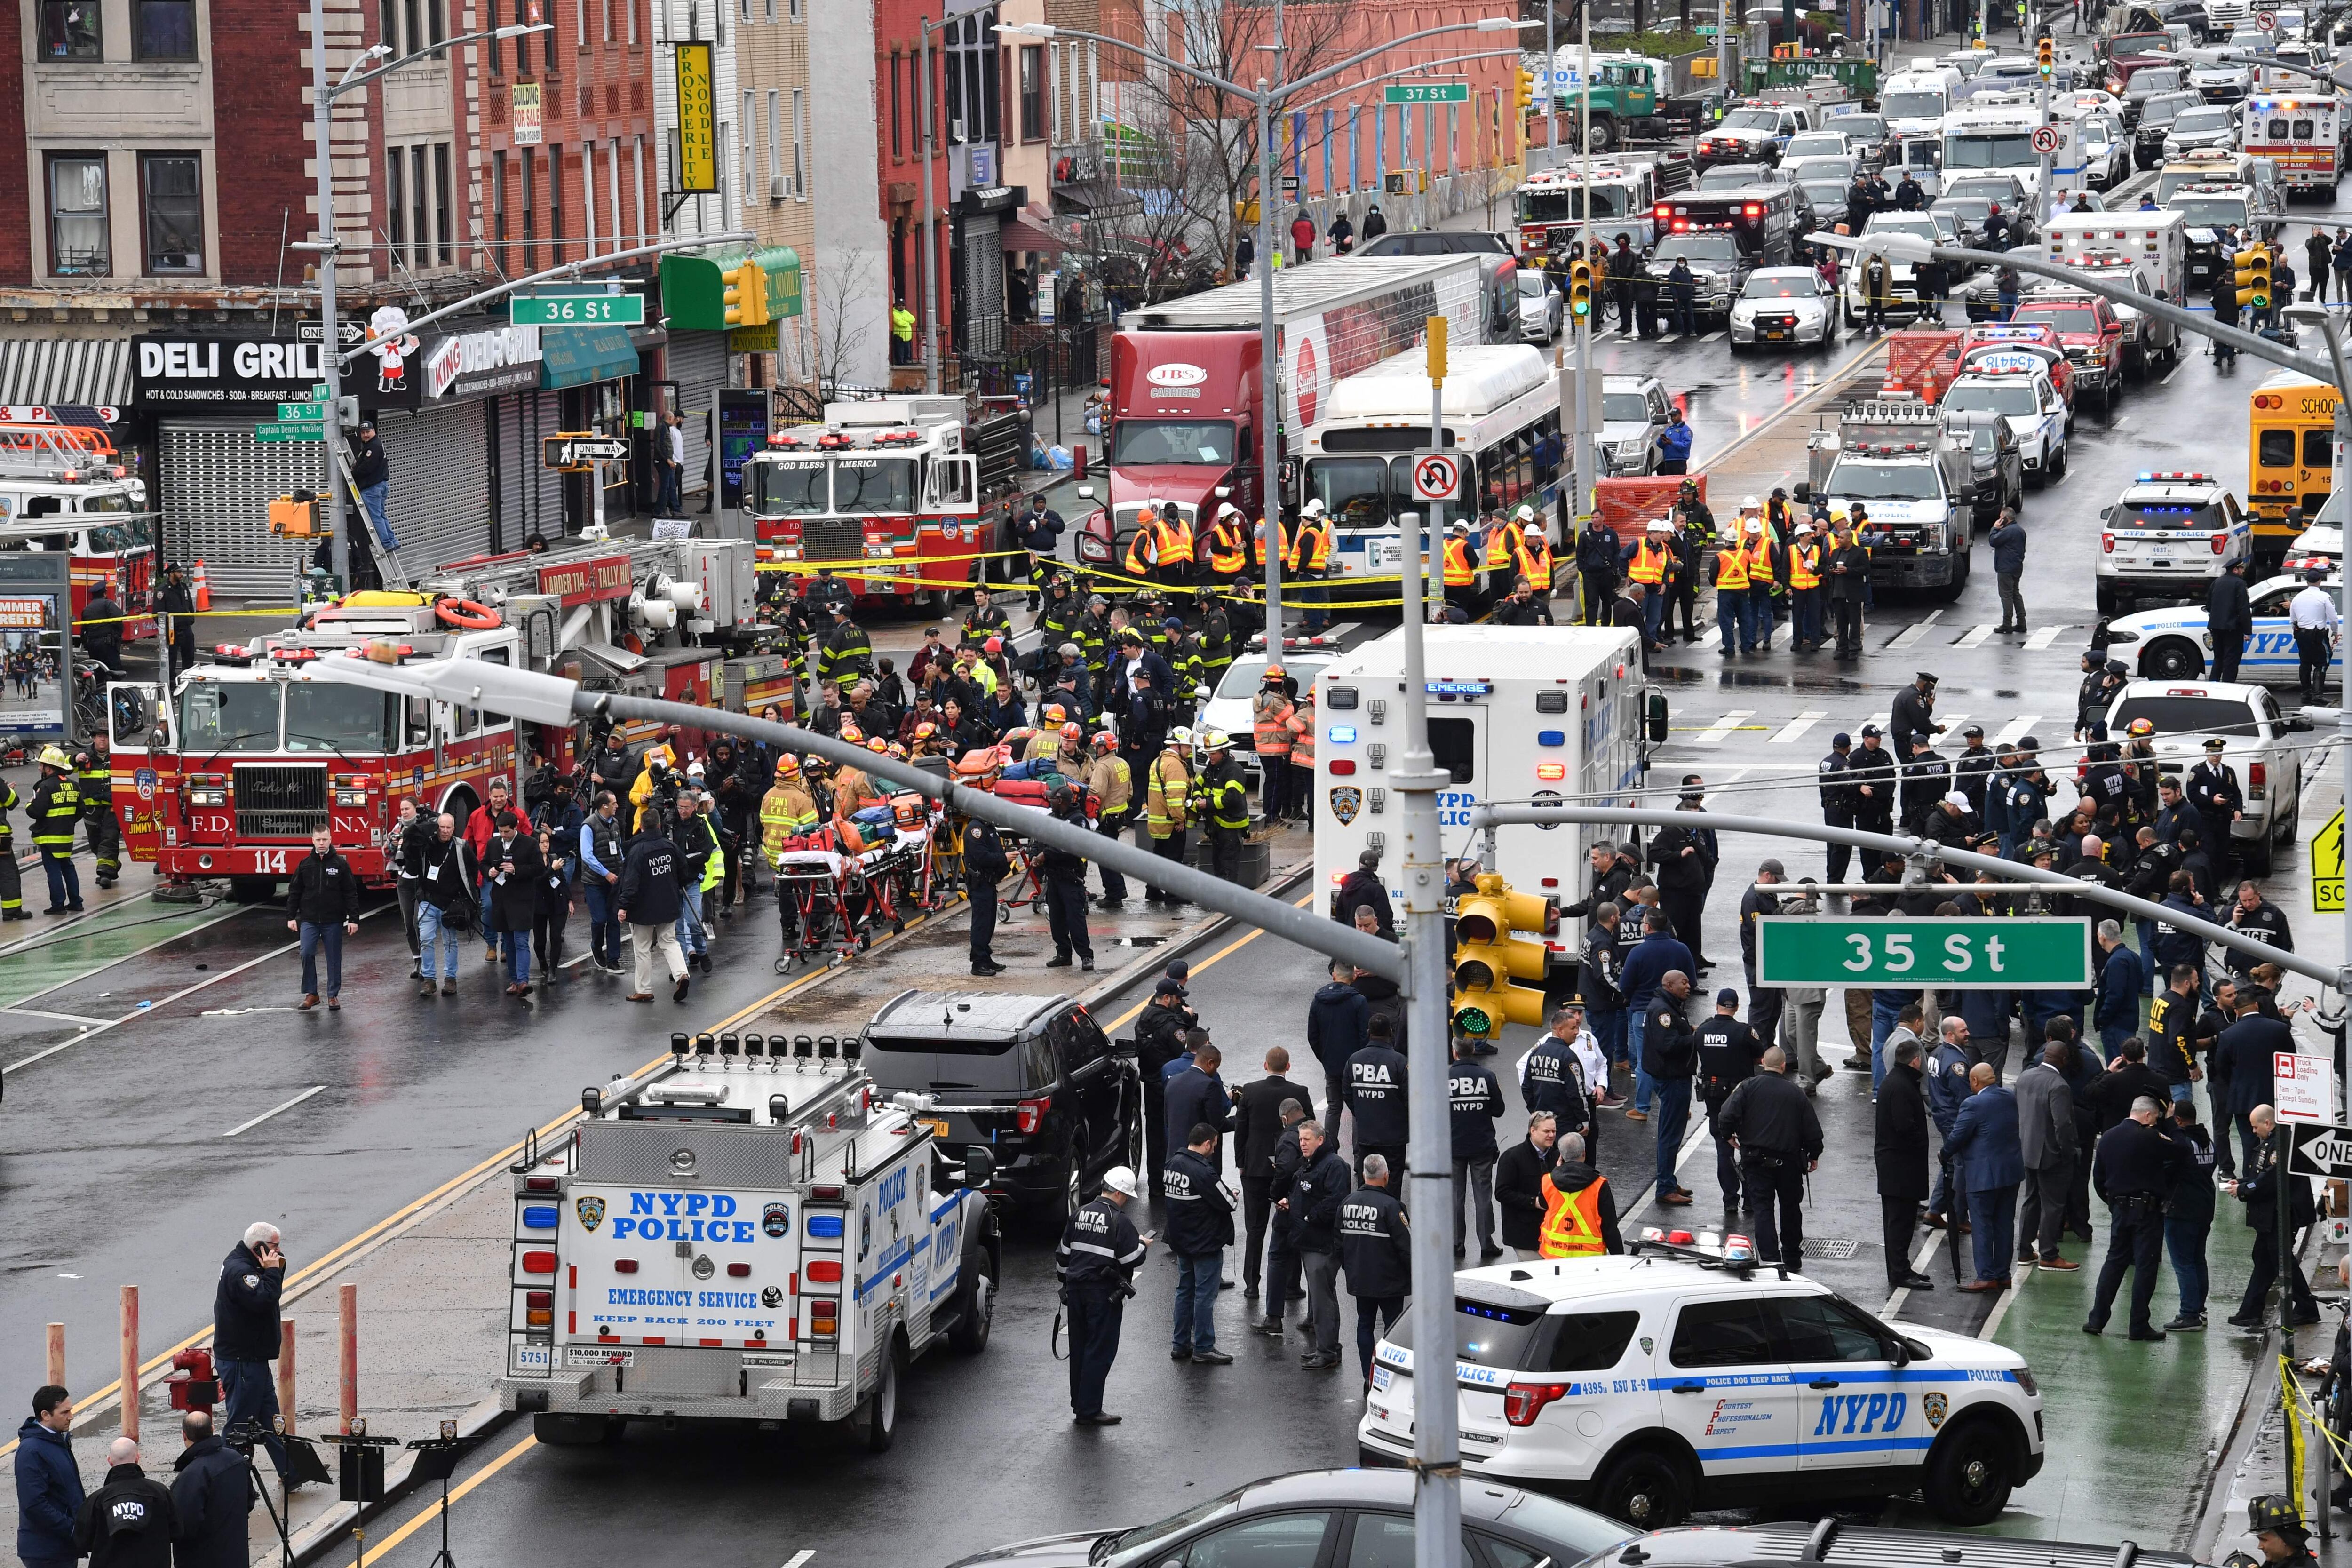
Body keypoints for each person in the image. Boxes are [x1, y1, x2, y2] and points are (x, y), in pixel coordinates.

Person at [1055, 1165, 1151, 1423]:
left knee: (1079, 1348)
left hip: (1075, 1292)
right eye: (1127, 1197)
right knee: (1099, 1350)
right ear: (1120, 1193)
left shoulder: (1079, 1214)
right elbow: (1132, 1258)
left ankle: (1080, 1402)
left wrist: (1065, 1284)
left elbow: (1062, 1256)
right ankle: (1089, 1411)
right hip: (1102, 1295)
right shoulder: (1119, 1220)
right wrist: (1142, 1244)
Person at [2082, 1095, 2183, 1340]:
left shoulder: (2108, 1137)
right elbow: (2183, 1150)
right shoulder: (2151, 1137)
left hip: (2119, 1209)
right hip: (2147, 1211)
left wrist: (2113, 1203)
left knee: (2114, 1262)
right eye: (2156, 1118)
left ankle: (2097, 1319)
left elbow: (2098, 1179)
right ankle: (2138, 1325)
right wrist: (2170, 1124)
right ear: (2148, 1115)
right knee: (2145, 1267)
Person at [1717, 1047, 1824, 1268]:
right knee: (1791, 1209)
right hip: (1789, 1164)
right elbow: (1812, 1130)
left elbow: (1726, 1115)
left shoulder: (1747, 1087)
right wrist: (1814, 1154)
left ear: (1763, 1062)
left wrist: (1728, 1136)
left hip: (1756, 1162)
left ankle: (1770, 1259)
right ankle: (1793, 1257)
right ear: (1783, 1066)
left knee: (1763, 1209)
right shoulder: (1796, 1093)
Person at [2227, 1105, 2321, 1328]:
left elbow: (2271, 1180)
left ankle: (2306, 1307)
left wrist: (2244, 1189)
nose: (2253, 1131)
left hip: (2282, 1214)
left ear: (2268, 1123)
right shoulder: (2273, 1142)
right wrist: (2242, 1183)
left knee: (2281, 1260)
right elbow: (2261, 1174)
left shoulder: (2282, 1144)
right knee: (2264, 1258)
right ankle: (2251, 1309)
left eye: (2255, 1126)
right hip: (2272, 1215)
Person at [214, 1221, 289, 1481]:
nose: (278, 1252)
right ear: (258, 1247)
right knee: (241, 1426)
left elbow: (270, 1289)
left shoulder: (250, 1264)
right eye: (274, 1247)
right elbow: (264, 1300)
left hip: (253, 1358)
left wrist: (272, 1267)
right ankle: (226, 1477)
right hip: (242, 1361)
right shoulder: (242, 1272)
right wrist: (271, 1270)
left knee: (272, 1420)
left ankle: (291, 1471)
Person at [1236, 1049, 1313, 1298]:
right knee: (1291, 1226)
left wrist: (1241, 1163)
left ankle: (1252, 1285)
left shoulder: (1250, 1090)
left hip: (1255, 1169)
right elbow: (1310, 1130)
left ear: (1265, 1065)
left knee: (1255, 1229)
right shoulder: (1300, 1093)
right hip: (1289, 1171)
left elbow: (1241, 1131)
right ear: (1288, 1067)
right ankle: (1291, 1285)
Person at [1944, 1063, 2024, 1291]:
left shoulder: (1973, 1104)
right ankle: (2003, 1274)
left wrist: (1945, 1153)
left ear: (1975, 1082)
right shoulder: (2009, 1097)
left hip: (1983, 1176)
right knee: (2004, 1224)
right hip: (2010, 1173)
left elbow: (1959, 1135)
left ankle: (1986, 1276)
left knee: (1982, 1225)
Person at [1162, 1125, 1235, 1365]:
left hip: (1182, 1241)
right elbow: (1227, 1202)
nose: (1214, 1150)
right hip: (1204, 1243)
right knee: (1205, 1295)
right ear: (1206, 1144)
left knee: (1185, 1291)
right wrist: (1233, 1195)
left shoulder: (1173, 1164)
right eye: (1213, 1145)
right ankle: (1204, 1346)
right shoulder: (1203, 1172)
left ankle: (1180, 1343)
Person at [1338, 1154, 1411, 1388]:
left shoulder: (1347, 1203)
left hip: (1360, 1279)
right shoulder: (1392, 1207)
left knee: (1365, 1324)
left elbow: (1337, 1242)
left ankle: (1368, 1377)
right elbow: (1407, 1247)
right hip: (1390, 1282)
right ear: (1386, 1176)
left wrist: (1350, 1267)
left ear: (1363, 1175)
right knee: (1392, 1331)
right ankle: (1389, 1379)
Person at [1284, 1120, 1351, 1370]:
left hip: (1322, 1245)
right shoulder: (1313, 1164)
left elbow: (1335, 1202)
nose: (1302, 1144)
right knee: (1324, 1299)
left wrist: (1309, 1217)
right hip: (1309, 1242)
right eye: (1301, 1140)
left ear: (1320, 1140)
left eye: (1307, 1139)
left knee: (1323, 1302)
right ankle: (1328, 1348)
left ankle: (1327, 1352)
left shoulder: (1334, 1166)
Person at [1875, 1037, 1938, 1291]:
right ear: (1916, 1060)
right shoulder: (1902, 1087)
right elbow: (1905, 1127)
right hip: (1901, 1167)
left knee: (1897, 1222)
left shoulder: (1895, 1082)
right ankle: (1899, 1272)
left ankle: (1900, 1267)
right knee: (1900, 1223)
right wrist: (1921, 1143)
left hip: (1895, 1167)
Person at [2016, 1041, 2083, 1272]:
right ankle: (2049, 1255)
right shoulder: (2059, 1085)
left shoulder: (2025, 1077)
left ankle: (2024, 1251)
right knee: (2053, 1206)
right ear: (2064, 1060)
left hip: (2027, 1151)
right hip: (2051, 1156)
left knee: (2031, 1201)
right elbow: (2062, 1125)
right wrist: (2068, 1153)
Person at [1696, 987, 1765, 1211]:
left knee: (1723, 1149)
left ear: (1717, 1006)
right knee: (1748, 1148)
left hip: (1713, 1096)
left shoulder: (1703, 1031)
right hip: (1741, 1097)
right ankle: (1750, 1199)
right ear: (1735, 1008)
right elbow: (1760, 1052)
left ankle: (1730, 1200)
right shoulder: (1744, 1032)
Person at [283, 825, 358, 1011]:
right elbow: (295, 891)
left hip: (333, 920)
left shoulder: (340, 864)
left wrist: (354, 919)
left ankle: (333, 995)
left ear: (331, 839)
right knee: (306, 953)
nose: (322, 843)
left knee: (333, 958)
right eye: (318, 840)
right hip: (309, 920)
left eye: (325, 839)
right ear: (313, 840)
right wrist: (291, 916)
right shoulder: (305, 865)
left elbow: (351, 892)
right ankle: (312, 994)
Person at [617, 821, 691, 1004]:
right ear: (659, 825)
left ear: (641, 827)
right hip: (668, 904)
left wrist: (623, 906)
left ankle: (643, 990)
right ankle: (682, 974)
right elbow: (684, 872)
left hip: (643, 909)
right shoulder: (670, 846)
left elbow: (631, 882)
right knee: (669, 942)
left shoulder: (637, 851)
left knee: (642, 949)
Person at [74, 1436, 175, 1568]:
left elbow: (82, 1542)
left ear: (110, 1461)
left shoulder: (97, 1500)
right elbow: (176, 1531)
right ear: (138, 1458)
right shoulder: (161, 1493)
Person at [1644, 971, 1700, 1204]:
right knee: (1670, 1135)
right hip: (1672, 1079)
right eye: (1684, 983)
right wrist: (1697, 1037)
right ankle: (1665, 1187)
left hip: (1675, 1076)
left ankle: (1669, 1179)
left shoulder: (1671, 1005)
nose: (1689, 986)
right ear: (1669, 985)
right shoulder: (1662, 1011)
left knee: (1673, 1134)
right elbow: (1668, 1045)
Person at [169, 1409, 251, 1568]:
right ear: (213, 1429)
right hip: (236, 1556)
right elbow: (249, 1501)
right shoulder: (237, 1460)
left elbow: (183, 1527)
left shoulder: (191, 1476)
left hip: (204, 1559)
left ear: (184, 1435)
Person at [1448, 1035, 1506, 1262]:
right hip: (1482, 1145)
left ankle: (1456, 1244)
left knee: (1455, 1196)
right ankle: (1486, 1243)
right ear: (1473, 1051)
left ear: (1455, 1052)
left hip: (1453, 1146)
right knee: (1483, 1196)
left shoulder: (1445, 1077)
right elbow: (1499, 1110)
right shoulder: (1487, 1076)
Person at [16, 1384, 83, 1568]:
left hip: (61, 1547)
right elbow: (35, 1505)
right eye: (65, 1412)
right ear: (46, 1415)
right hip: (45, 1552)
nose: (71, 1416)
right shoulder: (32, 1451)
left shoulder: (57, 1440)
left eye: (71, 1410)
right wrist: (72, 1529)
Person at [1346, 1020, 1411, 1181]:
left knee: (1367, 1180)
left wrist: (1361, 1113)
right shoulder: (1399, 1061)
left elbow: (1347, 1094)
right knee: (1393, 1182)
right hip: (1394, 1136)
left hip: (1366, 1134)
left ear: (1369, 1032)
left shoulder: (1354, 1059)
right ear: (1390, 1032)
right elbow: (1409, 1097)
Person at [1496, 1112, 1561, 1261]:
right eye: (1547, 1131)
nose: (1551, 1135)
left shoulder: (1558, 1156)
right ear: (1533, 1131)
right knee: (1532, 1279)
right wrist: (1534, 1202)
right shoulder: (1512, 1157)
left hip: (1553, 1233)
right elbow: (1502, 1193)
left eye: (1554, 1131)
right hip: (1525, 1234)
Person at [28, 746, 79, 915]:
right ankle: (76, 902)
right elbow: (80, 811)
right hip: (66, 836)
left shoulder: (46, 787)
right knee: (68, 867)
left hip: (49, 838)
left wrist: (30, 804)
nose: (40, 768)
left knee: (54, 871)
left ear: (49, 768)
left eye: (42, 765)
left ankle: (58, 905)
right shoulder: (74, 786)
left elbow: (36, 811)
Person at [349, 415, 398, 555]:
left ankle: (387, 544)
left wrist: (354, 473)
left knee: (376, 517)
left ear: (374, 431)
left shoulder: (373, 447)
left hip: (373, 488)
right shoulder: (376, 444)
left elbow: (367, 468)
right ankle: (392, 541)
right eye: (363, 433)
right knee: (381, 516)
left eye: (367, 432)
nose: (365, 435)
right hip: (380, 486)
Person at [2289, 570, 2338, 701]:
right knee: (2323, 662)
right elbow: (2333, 618)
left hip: (2301, 634)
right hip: (2317, 635)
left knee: (2305, 663)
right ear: (2320, 581)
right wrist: (2335, 631)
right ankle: (2317, 695)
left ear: (2307, 582)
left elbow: (2293, 619)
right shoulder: (2324, 597)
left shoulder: (2298, 598)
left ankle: (2306, 693)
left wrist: (2298, 631)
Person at [2209, 557, 2253, 682]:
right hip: (2232, 629)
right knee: (2231, 661)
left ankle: (2213, 685)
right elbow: (2244, 609)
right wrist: (2247, 631)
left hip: (2216, 627)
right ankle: (2228, 687)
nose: (2243, 571)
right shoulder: (2240, 584)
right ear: (2235, 570)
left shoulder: (2217, 582)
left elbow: (2209, 605)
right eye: (2241, 568)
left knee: (2218, 659)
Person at [658, 410, 686, 514]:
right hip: (674, 462)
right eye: (682, 419)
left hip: (679, 462)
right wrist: (672, 460)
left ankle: (672, 508)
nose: (682, 421)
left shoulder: (677, 431)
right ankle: (670, 508)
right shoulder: (670, 430)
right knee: (670, 487)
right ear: (677, 418)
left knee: (672, 487)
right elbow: (667, 446)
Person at [1654, 410, 1693, 475]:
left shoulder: (1686, 430)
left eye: (1675, 416)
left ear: (1680, 416)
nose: (1673, 418)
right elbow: (1660, 445)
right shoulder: (1669, 429)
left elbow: (1686, 446)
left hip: (1679, 462)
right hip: (1668, 461)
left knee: (1678, 483)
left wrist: (1672, 443)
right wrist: (1661, 440)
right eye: (1672, 416)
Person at [890, 299, 916, 365]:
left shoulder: (906, 312)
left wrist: (904, 319)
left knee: (907, 353)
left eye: (903, 305)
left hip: (908, 337)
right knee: (900, 353)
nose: (901, 307)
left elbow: (913, 319)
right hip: (900, 337)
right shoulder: (894, 313)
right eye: (899, 305)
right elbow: (899, 323)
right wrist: (908, 323)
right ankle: (900, 363)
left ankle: (906, 362)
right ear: (896, 306)